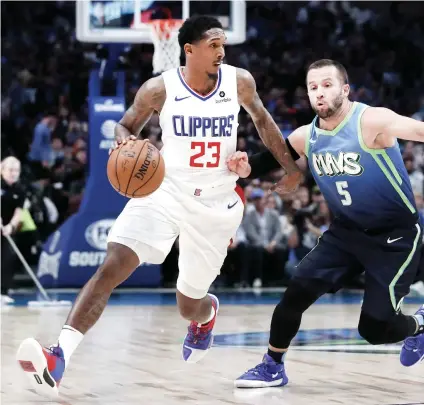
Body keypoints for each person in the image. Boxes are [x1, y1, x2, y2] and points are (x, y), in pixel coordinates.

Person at [16, 15, 302, 396]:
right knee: (113, 264)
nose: (221, 51)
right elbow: (125, 125)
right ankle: (59, 356)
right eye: (213, 44)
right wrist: (125, 145)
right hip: (164, 191)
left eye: (222, 44)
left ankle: (206, 315)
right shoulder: (159, 89)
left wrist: (292, 170)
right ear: (189, 50)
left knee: (189, 305)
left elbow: (264, 123)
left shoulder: (239, 81)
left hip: (216, 201)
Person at [226, 59, 424, 388]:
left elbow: (419, 131)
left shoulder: (372, 120)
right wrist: (244, 168)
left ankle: (418, 326)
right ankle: (272, 365)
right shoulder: (306, 136)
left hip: (394, 236)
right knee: (296, 292)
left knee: (374, 329)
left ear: (345, 90)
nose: (319, 92)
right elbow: (268, 160)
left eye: (327, 85)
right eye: (313, 87)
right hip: (344, 234)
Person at [1, 156, 25, 304]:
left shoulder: (19, 190)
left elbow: (19, 212)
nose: (13, 173)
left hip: (6, 230)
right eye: (10, 170)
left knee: (8, 257)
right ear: (2, 170)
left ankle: (3, 290)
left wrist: (11, 226)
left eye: (16, 170)